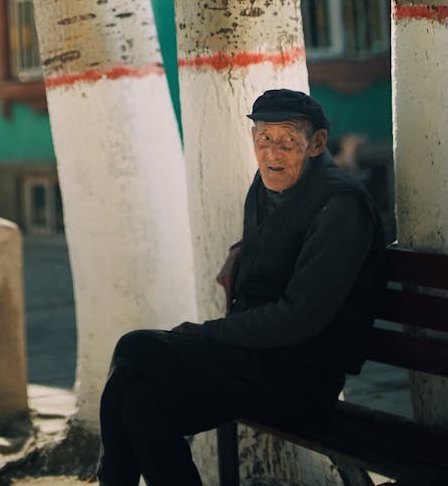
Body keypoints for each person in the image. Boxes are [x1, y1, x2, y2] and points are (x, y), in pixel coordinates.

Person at [97, 88, 386, 486]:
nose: (272, 153)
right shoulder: (272, 184)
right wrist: (241, 248)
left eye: (287, 141)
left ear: (317, 143)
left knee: (136, 346)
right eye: (263, 139)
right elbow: (283, 237)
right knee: (139, 401)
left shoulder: (341, 206)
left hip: (301, 381)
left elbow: (299, 318)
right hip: (257, 365)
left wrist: (210, 331)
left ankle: (111, 478)